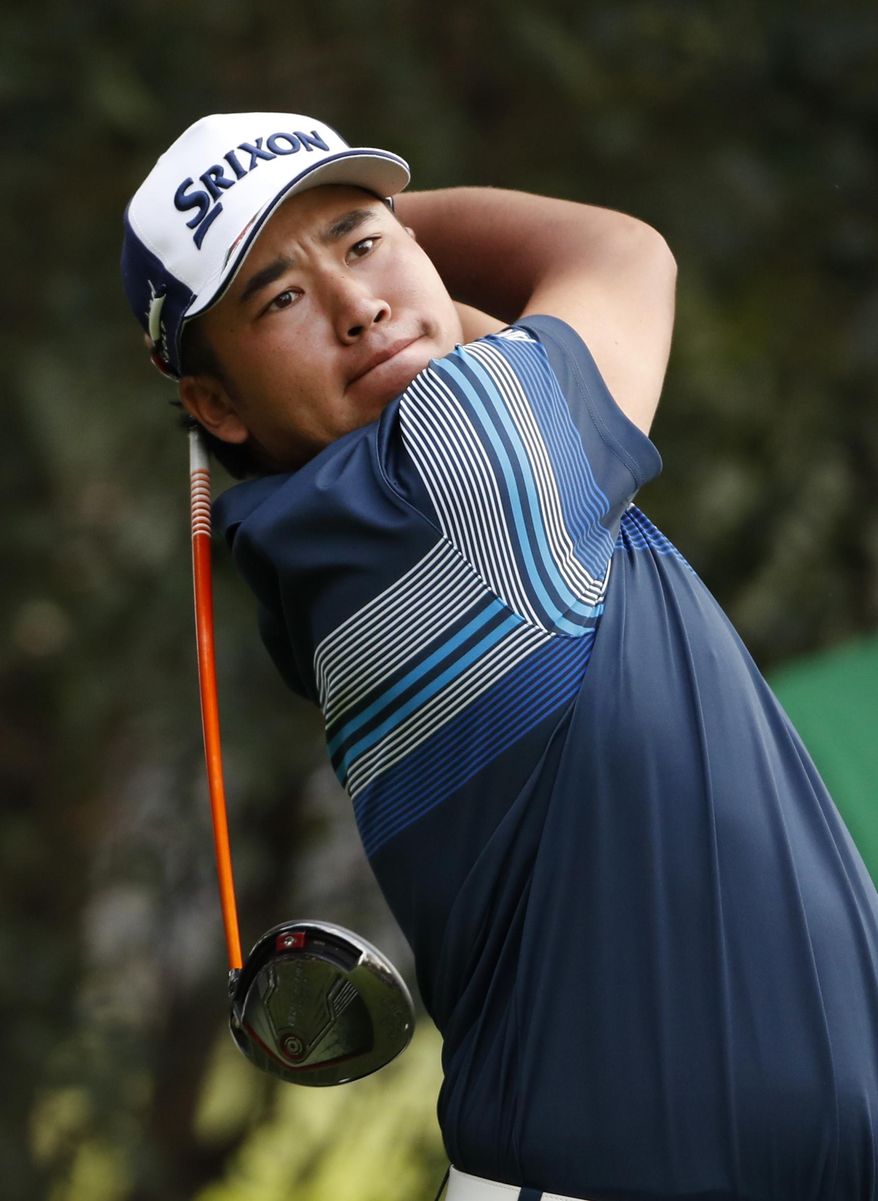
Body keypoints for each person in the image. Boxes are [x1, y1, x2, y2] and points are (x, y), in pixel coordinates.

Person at [122, 112, 878, 1201]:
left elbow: (442, 341)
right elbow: (622, 255)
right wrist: (393, 237)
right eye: (279, 299)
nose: (355, 304)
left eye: (361, 244)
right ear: (212, 404)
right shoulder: (463, 467)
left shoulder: (344, 525)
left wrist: (330, 262)